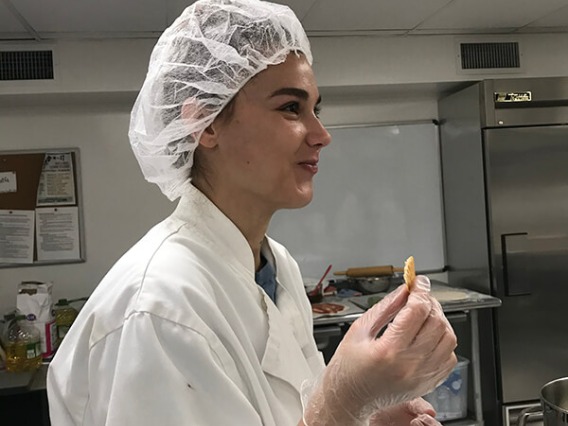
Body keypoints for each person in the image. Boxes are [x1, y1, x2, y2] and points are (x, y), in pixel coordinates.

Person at [47, 0, 457, 425]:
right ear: (205, 123)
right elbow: (323, 413)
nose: (321, 135)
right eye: (290, 108)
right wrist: (345, 403)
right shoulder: (159, 307)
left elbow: (293, 410)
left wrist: (367, 417)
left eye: (316, 109)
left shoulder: (276, 266)